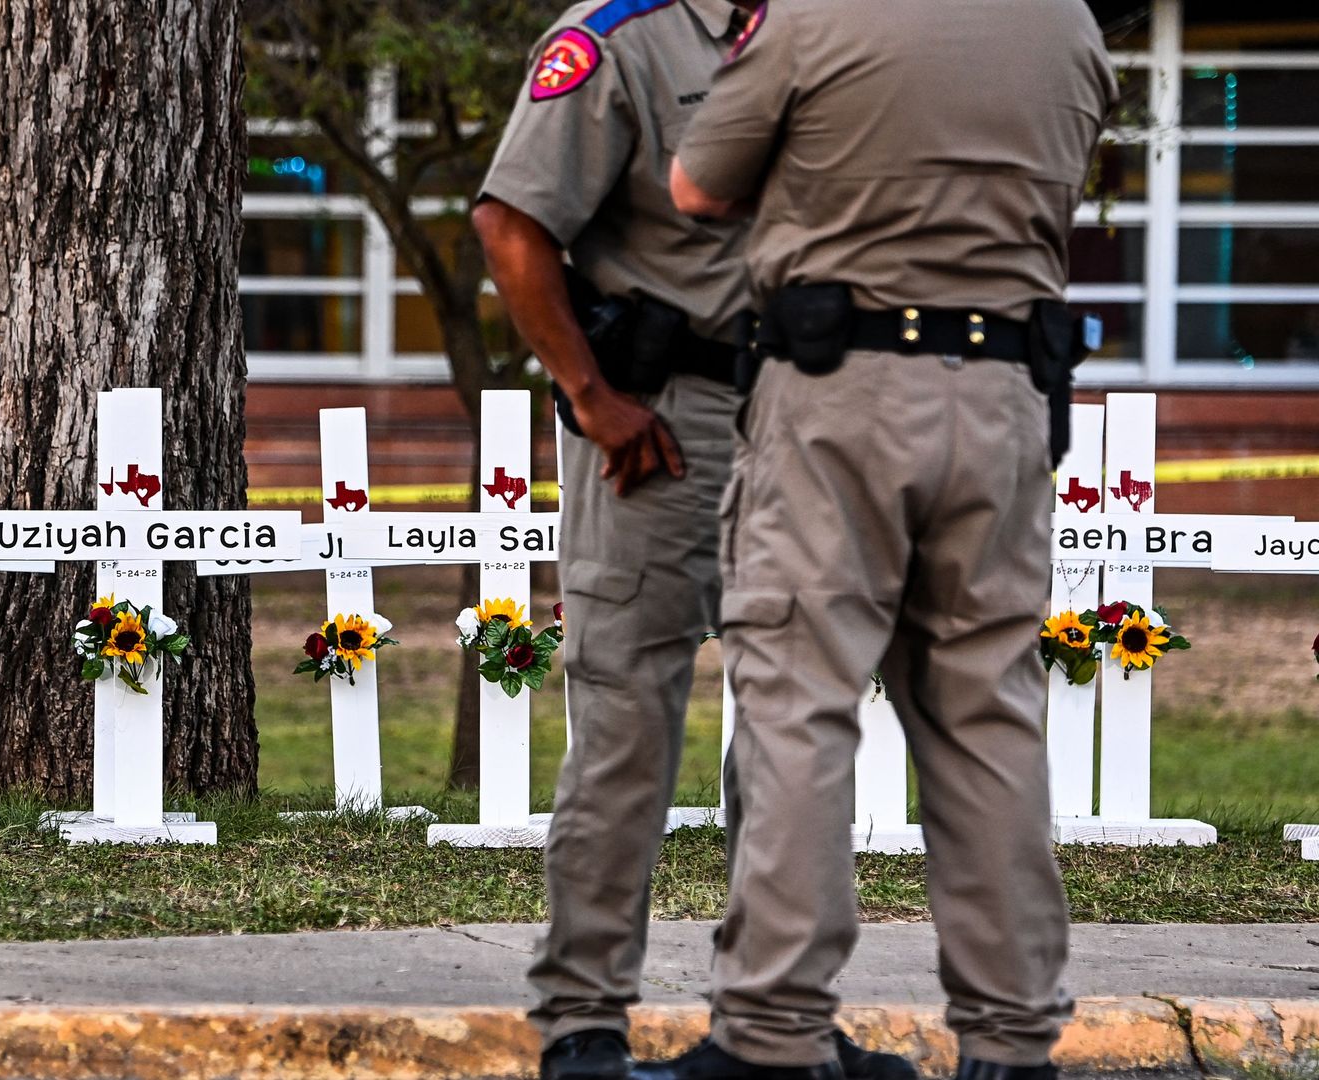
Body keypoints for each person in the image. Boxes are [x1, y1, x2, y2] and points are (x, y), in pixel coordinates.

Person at [663, 1, 1117, 1079]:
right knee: (988, 715)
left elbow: (696, 186)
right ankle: (1012, 1042)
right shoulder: (1068, 24)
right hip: (1009, 392)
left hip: (842, 389)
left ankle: (775, 1034)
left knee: (800, 702)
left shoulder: (816, 15)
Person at [473, 3, 912, 1079]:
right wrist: (588, 395)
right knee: (626, 726)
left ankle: (775, 1024)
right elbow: (510, 222)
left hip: (806, 417)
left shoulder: (835, 33)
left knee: (795, 733)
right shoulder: (623, 37)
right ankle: (584, 1019)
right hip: (661, 426)